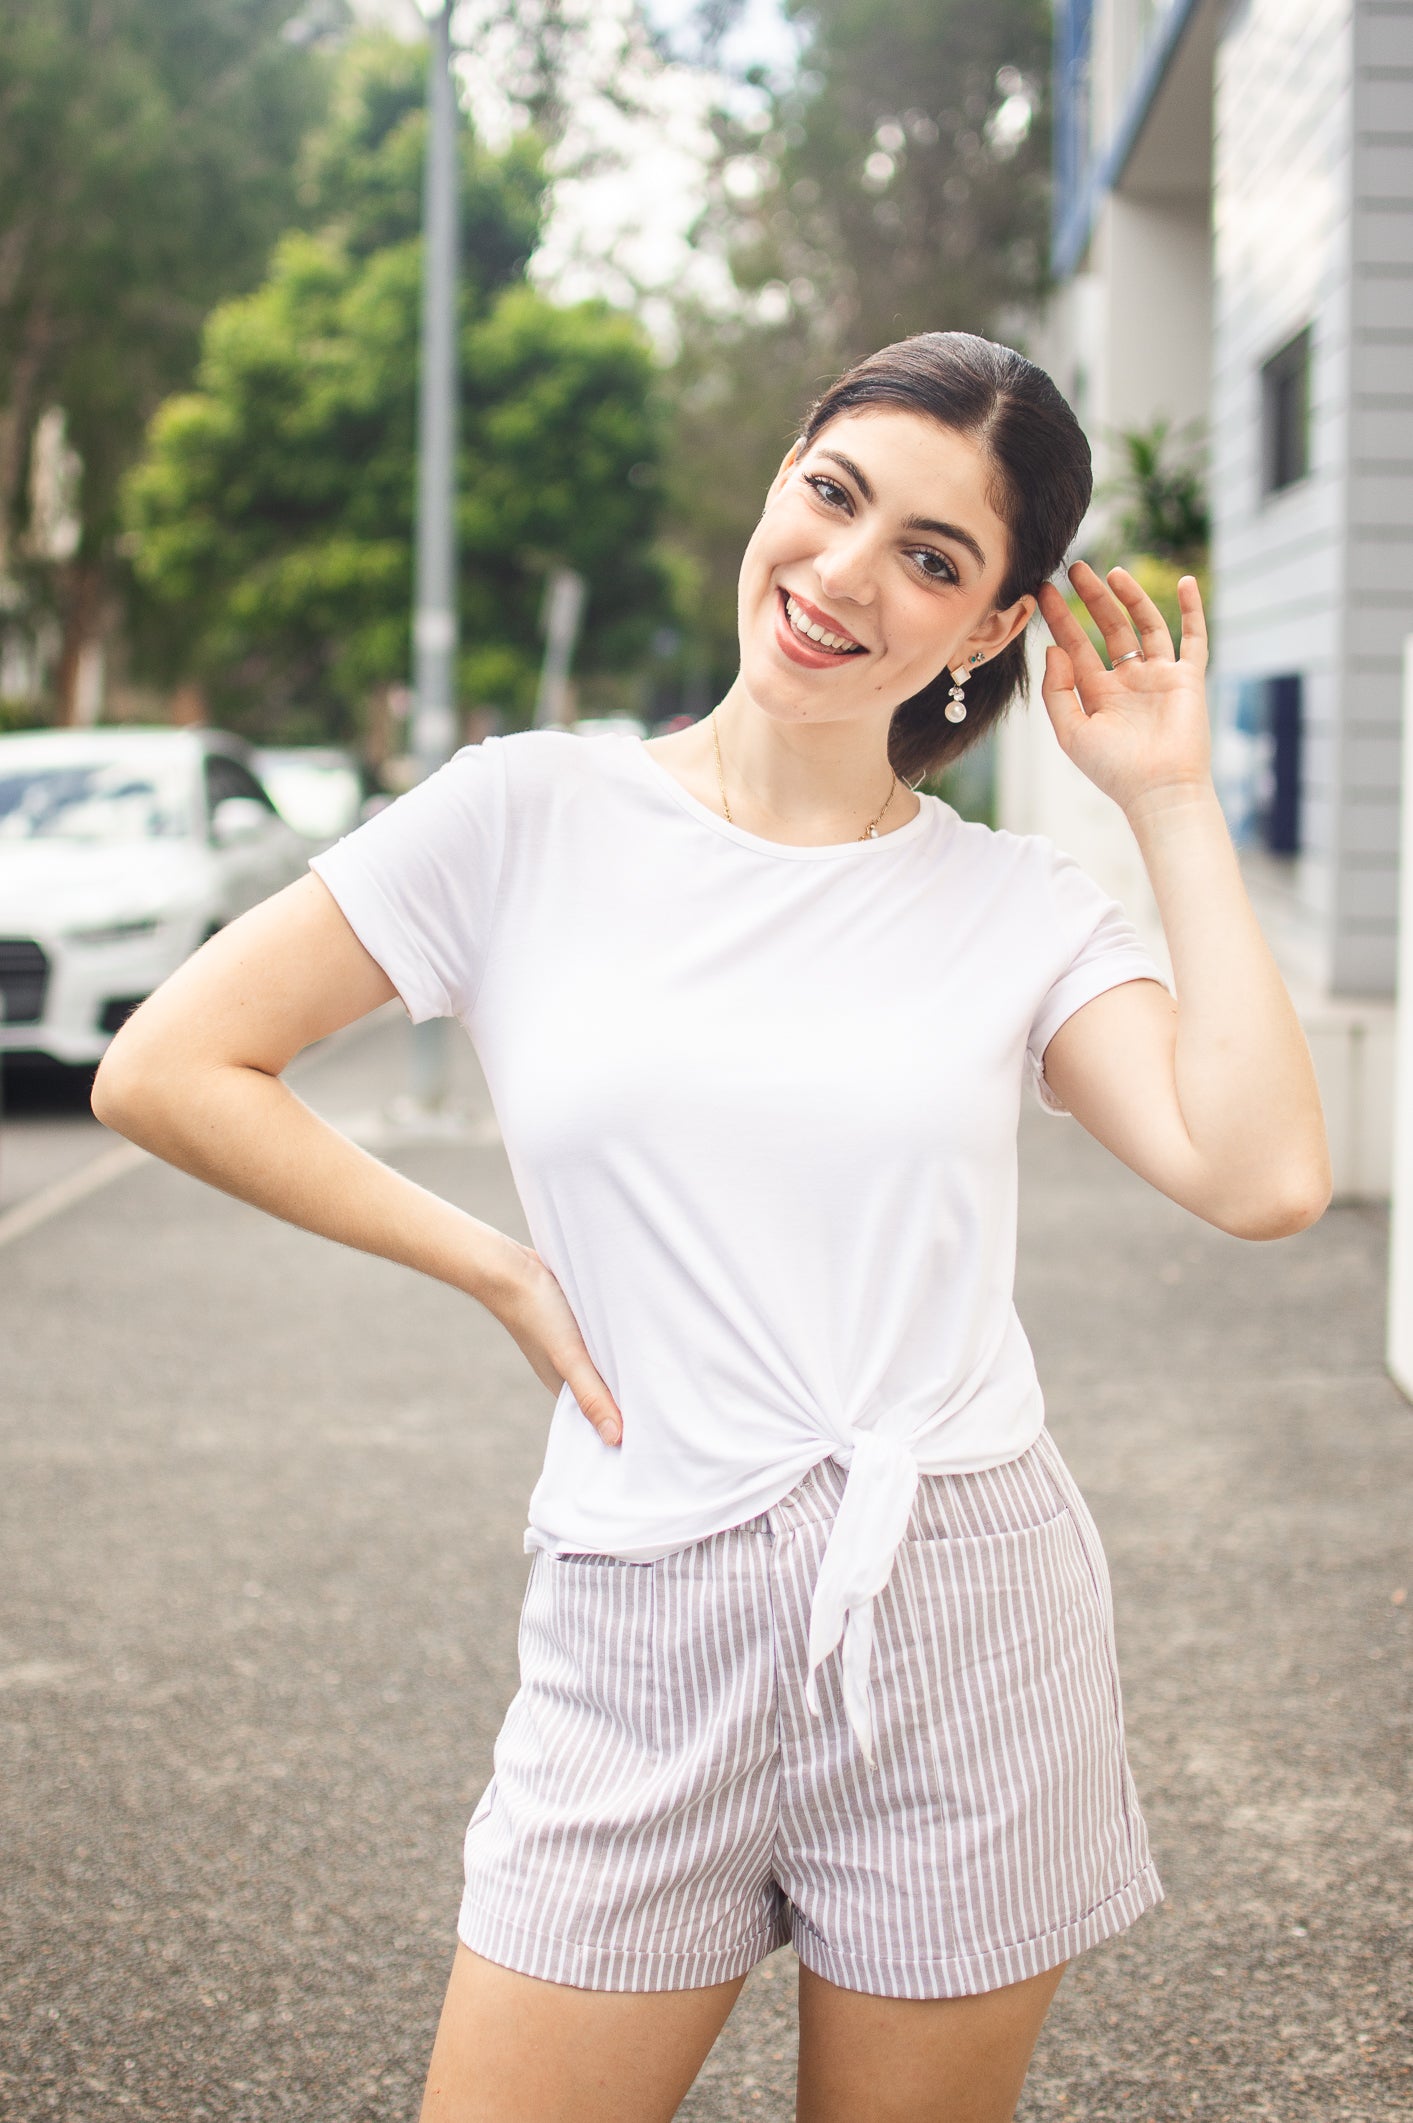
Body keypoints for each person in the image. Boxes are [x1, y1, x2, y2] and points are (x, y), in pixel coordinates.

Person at [93, 332, 1331, 2123]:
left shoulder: (1015, 907)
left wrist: (1167, 798)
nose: (843, 578)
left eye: (931, 557)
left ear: (991, 628)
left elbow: (1260, 1174)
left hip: (963, 1608)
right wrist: (495, 1264)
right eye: (831, 498)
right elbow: (173, 1065)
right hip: (642, 1600)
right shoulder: (527, 812)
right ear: (776, 484)